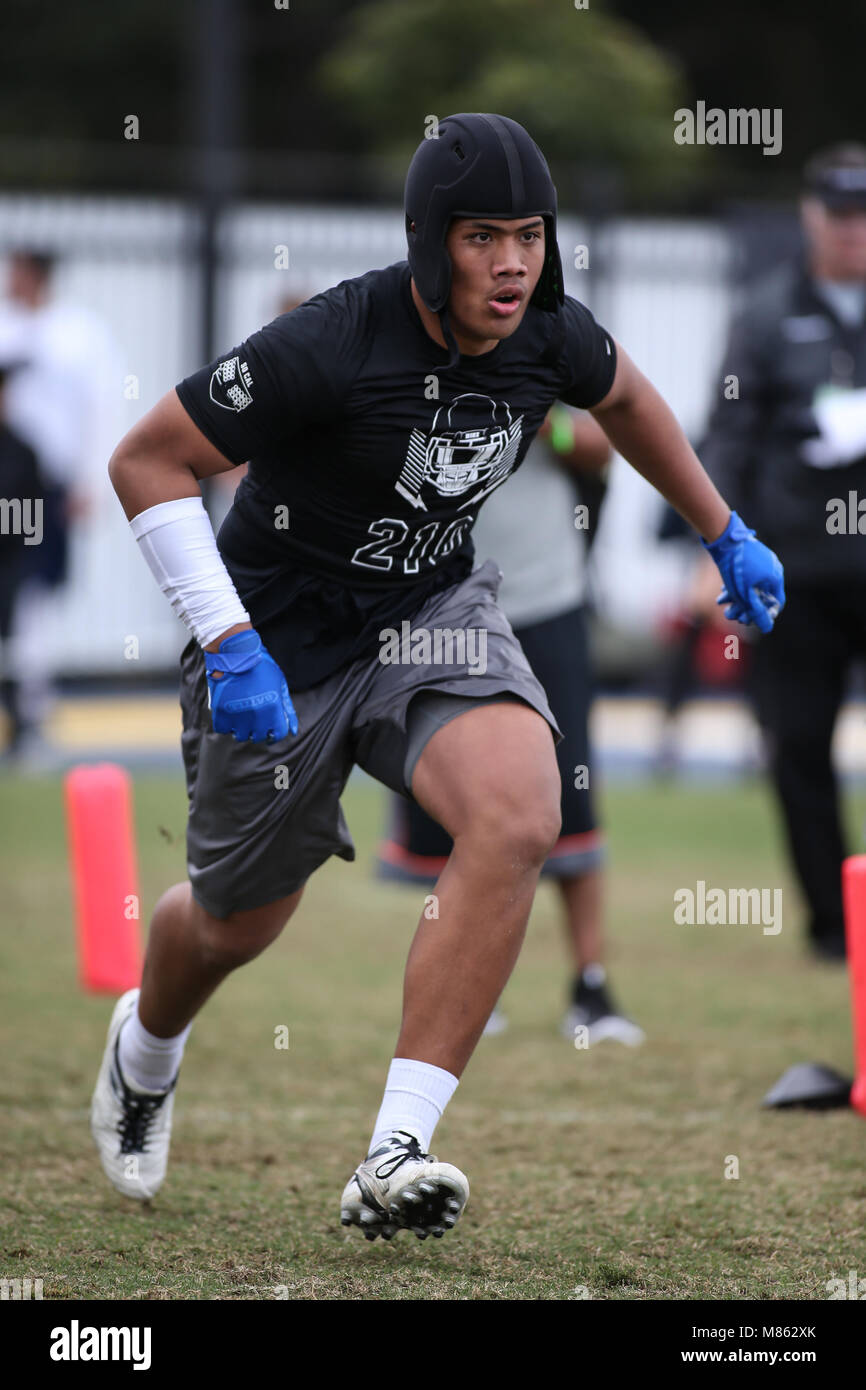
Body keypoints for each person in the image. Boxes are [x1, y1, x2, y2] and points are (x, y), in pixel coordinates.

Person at [92, 113, 784, 1242]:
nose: (510, 263)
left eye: (526, 235)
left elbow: (628, 400)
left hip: (430, 615)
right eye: (480, 238)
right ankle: (146, 1048)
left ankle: (393, 1149)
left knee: (520, 812)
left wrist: (722, 529)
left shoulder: (547, 331)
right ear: (427, 244)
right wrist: (230, 643)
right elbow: (146, 459)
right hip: (279, 641)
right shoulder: (327, 341)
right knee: (231, 924)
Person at [376, 402, 645, 1045]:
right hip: (440, 604)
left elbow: (601, 443)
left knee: (569, 797)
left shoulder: (551, 347)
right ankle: (466, 987)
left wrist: (541, 424)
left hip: (545, 599)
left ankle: (591, 985)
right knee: (450, 797)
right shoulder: (407, 350)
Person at [700, 144, 866, 961]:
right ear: (811, 217)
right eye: (840, 217)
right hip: (797, 565)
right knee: (797, 745)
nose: (853, 234)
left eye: (864, 217)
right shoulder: (765, 313)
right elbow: (728, 436)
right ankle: (833, 925)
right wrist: (716, 545)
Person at [0, 362, 43, 756]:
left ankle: (22, 726)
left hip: (10, 567)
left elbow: (30, 522)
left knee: (17, 647)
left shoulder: (22, 450)